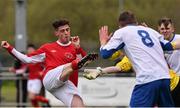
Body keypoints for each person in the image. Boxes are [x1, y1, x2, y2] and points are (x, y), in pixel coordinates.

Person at [1, 19, 98, 107]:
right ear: (56, 33)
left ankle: (73, 66)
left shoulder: (75, 47)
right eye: (62, 31)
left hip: (65, 85)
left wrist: (77, 48)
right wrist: (9, 48)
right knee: (71, 65)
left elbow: (86, 61)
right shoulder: (48, 48)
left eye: (67, 30)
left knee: (79, 105)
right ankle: (72, 65)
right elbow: (26, 59)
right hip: (50, 78)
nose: (66, 33)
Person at [91, 11, 180, 107]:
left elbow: (105, 54)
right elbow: (168, 46)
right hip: (165, 78)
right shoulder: (151, 31)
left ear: (120, 26)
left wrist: (103, 42)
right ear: (136, 23)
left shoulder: (122, 32)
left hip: (147, 80)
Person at [158, 17, 180, 106]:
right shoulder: (157, 42)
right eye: (162, 29)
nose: (165, 31)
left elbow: (174, 46)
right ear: (159, 30)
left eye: (167, 28)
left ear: (173, 29)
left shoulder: (178, 38)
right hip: (169, 83)